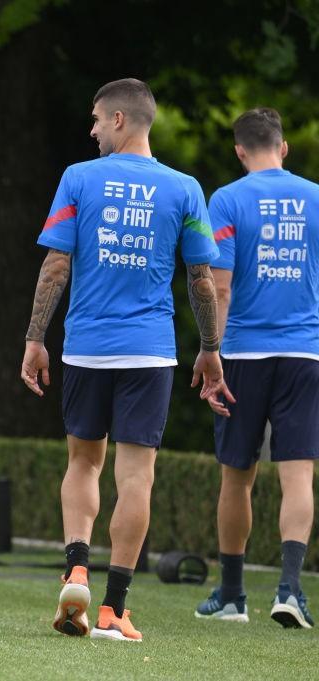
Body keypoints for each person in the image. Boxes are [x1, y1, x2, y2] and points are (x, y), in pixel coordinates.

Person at [20, 78, 229, 642]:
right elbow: (202, 280)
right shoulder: (185, 189)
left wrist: (35, 338)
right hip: (151, 352)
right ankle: (113, 609)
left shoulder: (78, 179)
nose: (90, 131)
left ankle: (76, 569)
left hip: (86, 346)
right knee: (137, 476)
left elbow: (55, 268)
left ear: (118, 120)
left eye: (95, 120)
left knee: (84, 463)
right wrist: (210, 350)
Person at [193, 107, 317, 629]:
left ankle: (233, 595)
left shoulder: (227, 198)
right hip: (305, 354)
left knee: (237, 478)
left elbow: (218, 287)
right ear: (283, 146)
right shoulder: (315, 197)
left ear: (240, 151)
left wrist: (209, 350)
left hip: (242, 354)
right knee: (298, 477)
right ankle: (289, 588)